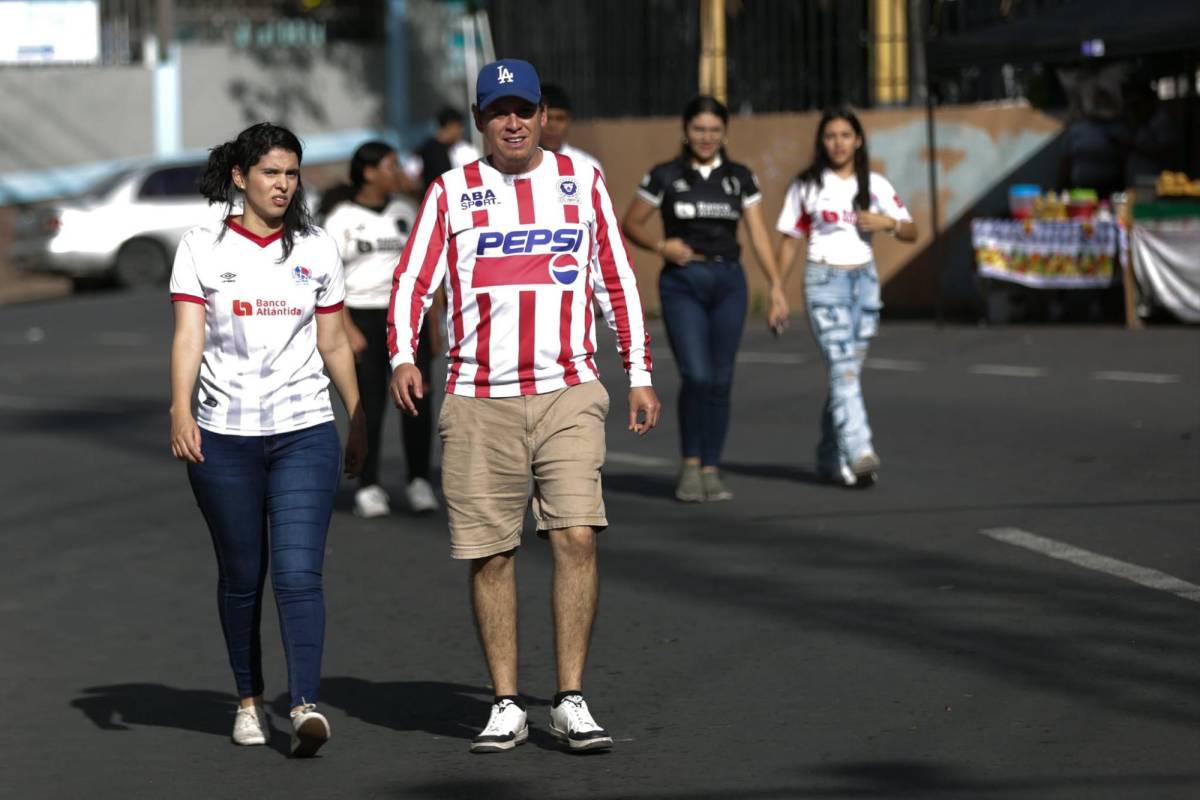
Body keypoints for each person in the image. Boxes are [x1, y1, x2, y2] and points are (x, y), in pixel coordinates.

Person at [388, 58, 660, 754]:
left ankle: (570, 698)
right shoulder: (452, 193)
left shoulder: (582, 181)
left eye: (524, 108)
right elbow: (412, 281)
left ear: (542, 116)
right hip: (479, 399)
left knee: (576, 535)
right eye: (498, 110)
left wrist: (638, 371)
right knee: (492, 554)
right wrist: (402, 355)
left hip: (569, 389)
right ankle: (506, 702)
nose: (513, 121)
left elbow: (616, 279)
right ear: (480, 121)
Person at [168, 122, 367, 757]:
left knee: (299, 572)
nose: (283, 185)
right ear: (240, 177)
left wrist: (357, 412)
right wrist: (180, 408)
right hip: (223, 437)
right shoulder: (201, 246)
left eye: (291, 173)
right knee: (242, 575)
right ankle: (249, 700)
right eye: (270, 173)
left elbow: (334, 339)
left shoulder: (316, 247)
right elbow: (188, 337)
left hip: (304, 429)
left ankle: (305, 703)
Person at [621, 95, 788, 503]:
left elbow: (758, 233)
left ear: (725, 133)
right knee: (696, 374)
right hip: (683, 283)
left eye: (715, 130)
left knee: (721, 378)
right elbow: (630, 223)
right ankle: (690, 463)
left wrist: (777, 286)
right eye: (699, 129)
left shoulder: (739, 178)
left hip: (729, 282)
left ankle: (711, 467)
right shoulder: (665, 176)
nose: (707, 137)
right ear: (686, 130)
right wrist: (662, 246)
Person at [774, 107, 917, 487]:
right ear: (822, 142)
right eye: (830, 136)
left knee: (845, 376)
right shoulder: (807, 185)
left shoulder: (875, 185)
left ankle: (827, 454)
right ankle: (859, 450)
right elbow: (789, 241)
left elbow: (910, 231)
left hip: (864, 284)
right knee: (844, 370)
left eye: (845, 135)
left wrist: (886, 223)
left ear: (858, 140)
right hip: (824, 280)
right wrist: (776, 290)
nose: (838, 143)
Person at [320, 141, 440, 517]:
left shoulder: (406, 211)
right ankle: (369, 486)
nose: (398, 173)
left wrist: (433, 326)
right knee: (369, 406)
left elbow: (426, 273)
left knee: (417, 403)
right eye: (391, 165)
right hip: (362, 318)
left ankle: (419, 481)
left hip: (405, 319)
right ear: (369, 171)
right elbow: (327, 279)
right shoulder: (341, 218)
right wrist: (347, 328)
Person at [404, 107, 481, 193]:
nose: (461, 131)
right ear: (449, 125)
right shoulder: (427, 149)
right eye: (458, 126)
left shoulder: (467, 150)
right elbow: (409, 176)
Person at [539, 83, 604, 178]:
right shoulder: (519, 165)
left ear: (569, 121)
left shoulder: (588, 166)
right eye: (548, 118)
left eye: (560, 118)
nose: (553, 126)